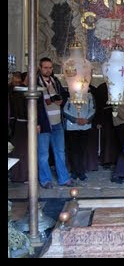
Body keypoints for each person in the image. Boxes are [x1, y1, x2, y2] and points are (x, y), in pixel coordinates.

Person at [36, 57, 73, 188]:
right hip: (44, 123)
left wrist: (61, 100)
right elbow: (33, 104)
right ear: (40, 68)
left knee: (60, 152)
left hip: (58, 122)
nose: (48, 70)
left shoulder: (55, 81)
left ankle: (64, 178)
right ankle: (45, 180)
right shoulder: (35, 82)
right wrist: (36, 123)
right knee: (43, 154)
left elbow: (63, 95)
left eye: (50, 68)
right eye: (45, 67)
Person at [63, 88, 96, 181]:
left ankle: (81, 171)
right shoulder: (69, 94)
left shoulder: (89, 95)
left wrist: (86, 119)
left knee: (82, 149)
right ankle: (74, 171)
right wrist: (75, 119)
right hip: (72, 126)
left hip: (85, 126)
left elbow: (92, 109)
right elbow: (65, 110)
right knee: (73, 150)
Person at [9, 72, 29, 182]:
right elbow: (21, 109)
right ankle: (20, 176)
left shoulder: (21, 89)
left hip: (21, 123)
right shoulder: (19, 91)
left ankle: (22, 175)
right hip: (22, 124)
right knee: (22, 152)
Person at [94, 82, 119, 169]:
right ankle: (106, 160)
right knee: (107, 138)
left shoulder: (118, 84)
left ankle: (113, 159)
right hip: (105, 115)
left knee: (114, 139)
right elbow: (98, 104)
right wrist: (98, 120)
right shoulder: (102, 87)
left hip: (117, 115)